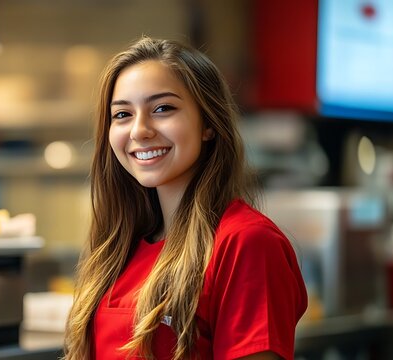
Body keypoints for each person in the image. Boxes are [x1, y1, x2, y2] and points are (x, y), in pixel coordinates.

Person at [63, 37, 307, 360]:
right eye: (122, 114)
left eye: (163, 108)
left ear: (208, 123)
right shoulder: (118, 249)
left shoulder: (246, 243)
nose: (139, 130)